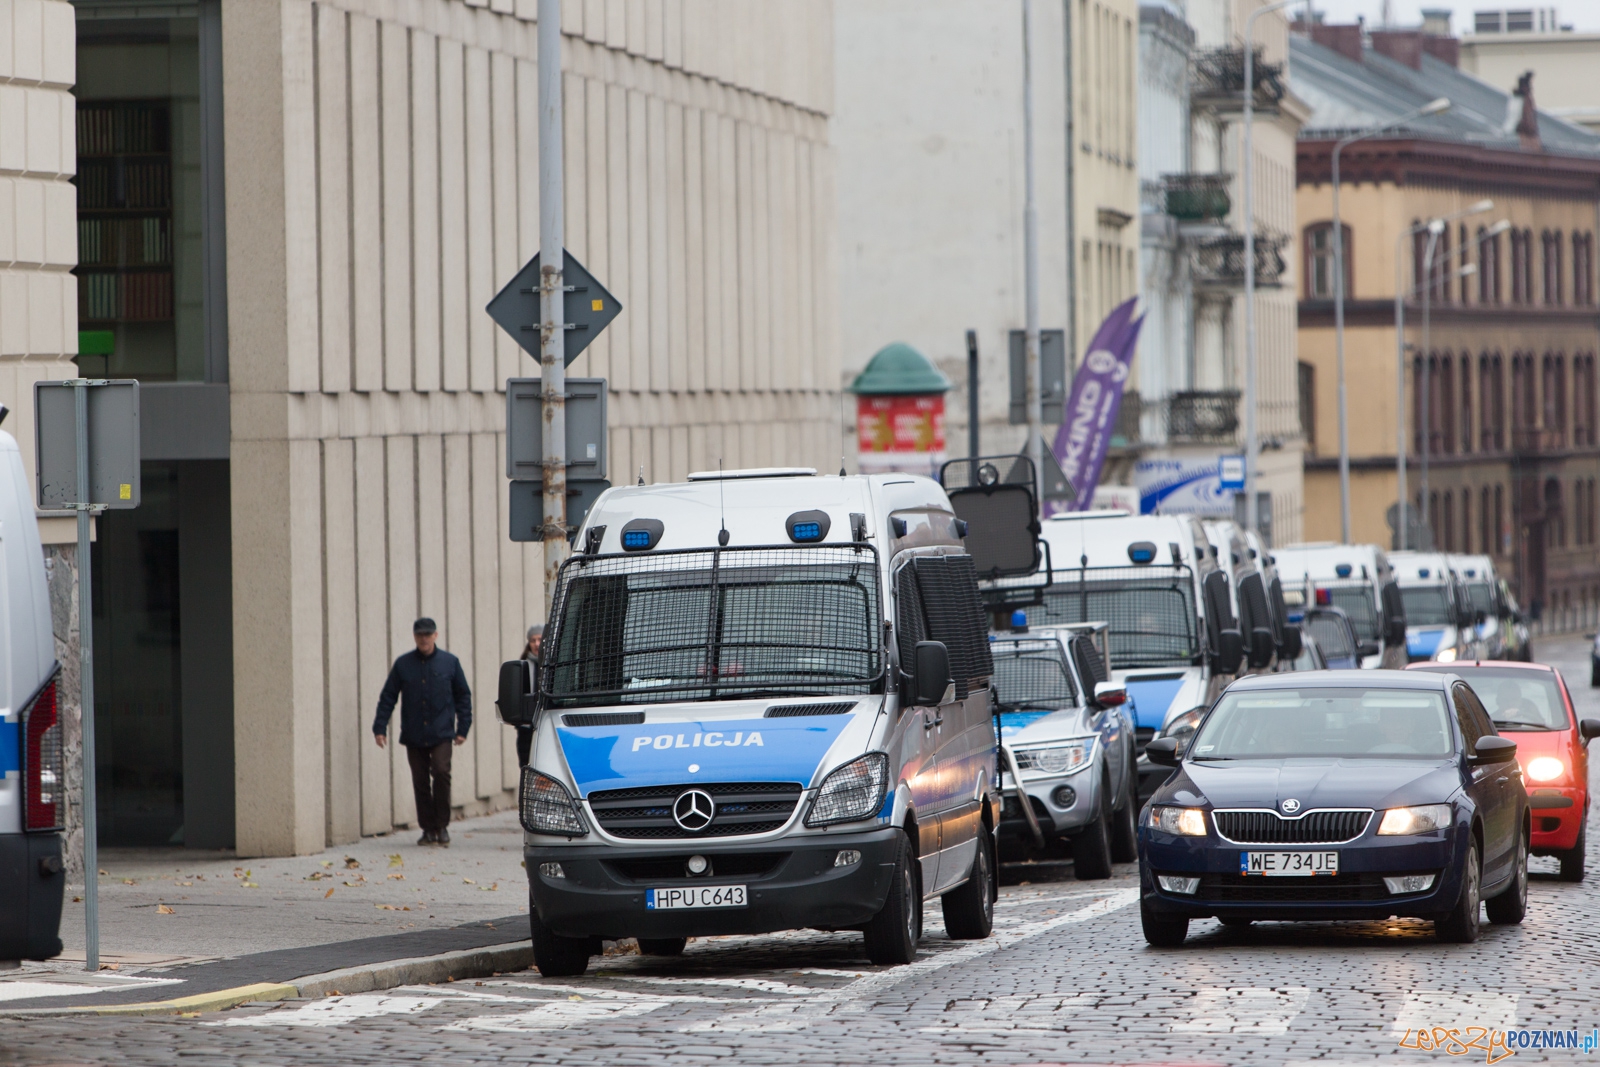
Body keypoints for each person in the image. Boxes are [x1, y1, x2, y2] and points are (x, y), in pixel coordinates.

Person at [373, 618, 472, 846]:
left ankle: (442, 825)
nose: (424, 639)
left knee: (441, 771)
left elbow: (463, 696)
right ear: (415, 637)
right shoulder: (403, 665)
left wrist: (463, 727)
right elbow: (388, 697)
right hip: (414, 733)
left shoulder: (449, 663)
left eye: (428, 634)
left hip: (442, 732)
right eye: (420, 635)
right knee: (420, 781)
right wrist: (380, 728)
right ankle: (428, 829)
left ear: (436, 636)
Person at [517, 625, 543, 767]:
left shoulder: (552, 665)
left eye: (539, 639)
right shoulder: (523, 665)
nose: (537, 644)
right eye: (533, 640)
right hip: (527, 727)